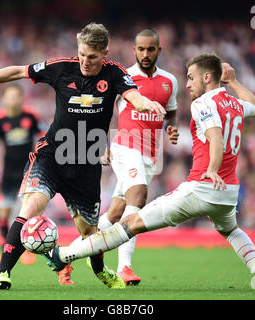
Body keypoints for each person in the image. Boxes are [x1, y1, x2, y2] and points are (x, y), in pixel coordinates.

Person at [0, 22, 166, 290]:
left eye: (93, 57)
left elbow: (133, 95)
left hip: (86, 161)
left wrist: (146, 103)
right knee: (28, 209)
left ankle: (99, 269)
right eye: (82, 54)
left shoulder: (115, 73)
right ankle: (2, 274)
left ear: (105, 54)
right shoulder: (62, 67)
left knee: (89, 232)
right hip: (51, 155)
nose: (85, 61)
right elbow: (19, 71)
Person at [43, 54, 255, 291]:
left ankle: (63, 254)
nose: (188, 84)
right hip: (228, 191)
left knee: (130, 223)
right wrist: (233, 81)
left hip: (202, 187)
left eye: (192, 78)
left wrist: (211, 169)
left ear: (208, 77)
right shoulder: (233, 103)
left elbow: (215, 136)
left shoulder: (203, 103)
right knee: (232, 230)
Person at [96, 28, 179, 285]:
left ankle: (73, 253)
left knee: (116, 213)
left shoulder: (170, 81)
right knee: (139, 197)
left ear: (158, 50)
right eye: (140, 49)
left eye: (150, 49)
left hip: (151, 154)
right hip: (125, 146)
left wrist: (171, 128)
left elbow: (171, 111)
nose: (145, 54)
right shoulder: (124, 77)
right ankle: (125, 267)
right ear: (134, 50)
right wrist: (102, 143)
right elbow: (104, 111)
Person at [0, 84, 43, 267]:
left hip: (28, 171)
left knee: (25, 213)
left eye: (17, 96)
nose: (14, 100)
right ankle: (4, 249)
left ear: (22, 97)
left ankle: (25, 251)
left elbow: (43, 140)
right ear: (3, 99)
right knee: (3, 212)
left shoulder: (31, 116)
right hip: (8, 174)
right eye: (10, 96)